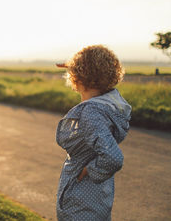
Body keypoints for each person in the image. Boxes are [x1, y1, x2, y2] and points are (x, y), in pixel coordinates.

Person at [55, 45, 132, 220]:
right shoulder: (109, 104)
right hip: (99, 195)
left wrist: (87, 171)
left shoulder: (92, 113)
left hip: (81, 200)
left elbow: (113, 158)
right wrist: (77, 66)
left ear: (78, 77)